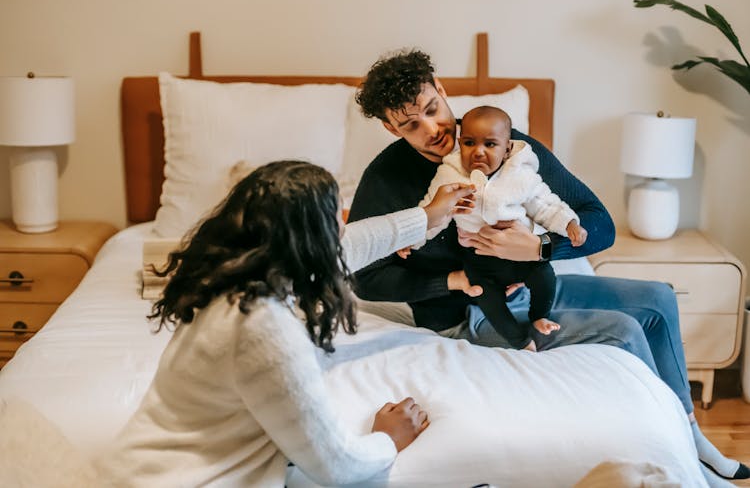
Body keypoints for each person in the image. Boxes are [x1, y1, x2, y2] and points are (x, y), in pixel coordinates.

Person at [348, 49, 749, 482]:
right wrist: (453, 280)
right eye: (411, 124)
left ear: (443, 91)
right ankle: (685, 464)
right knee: (626, 329)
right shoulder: (385, 179)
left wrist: (539, 249)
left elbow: (600, 223)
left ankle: (691, 434)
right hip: (471, 312)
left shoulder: (507, 143)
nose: (433, 129)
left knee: (657, 298)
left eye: (432, 109)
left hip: (531, 279)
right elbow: (365, 281)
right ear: (391, 127)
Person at [95, 160, 476, 486]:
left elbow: (352, 246)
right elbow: (336, 466)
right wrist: (388, 438)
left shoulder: (230, 281)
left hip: (139, 469)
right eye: (335, 221)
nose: (343, 229)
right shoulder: (263, 326)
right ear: (308, 242)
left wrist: (428, 216)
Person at [399, 105, 587, 351]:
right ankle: (520, 341)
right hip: (480, 262)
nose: (478, 152)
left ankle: (539, 316)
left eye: (489, 145)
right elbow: (433, 212)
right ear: (460, 142)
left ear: (507, 149)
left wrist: (569, 223)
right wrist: (413, 238)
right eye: (469, 143)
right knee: (486, 298)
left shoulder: (520, 174)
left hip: (521, 256)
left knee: (544, 277)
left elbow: (544, 204)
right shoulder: (449, 175)